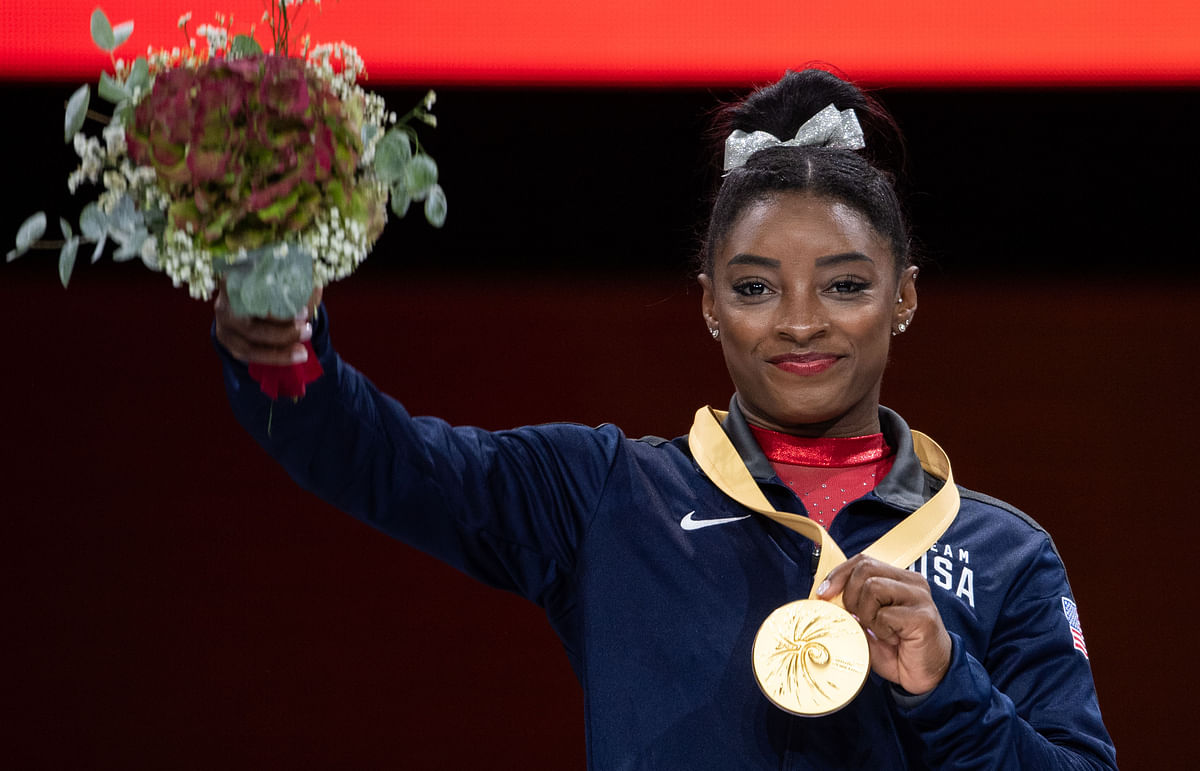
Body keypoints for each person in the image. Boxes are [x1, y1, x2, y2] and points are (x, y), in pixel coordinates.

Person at [213, 69, 1117, 769]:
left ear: (904, 297)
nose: (801, 320)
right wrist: (275, 339)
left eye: (844, 284)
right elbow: (381, 458)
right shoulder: (607, 497)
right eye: (756, 287)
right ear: (709, 304)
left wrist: (950, 687)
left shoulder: (1007, 556)